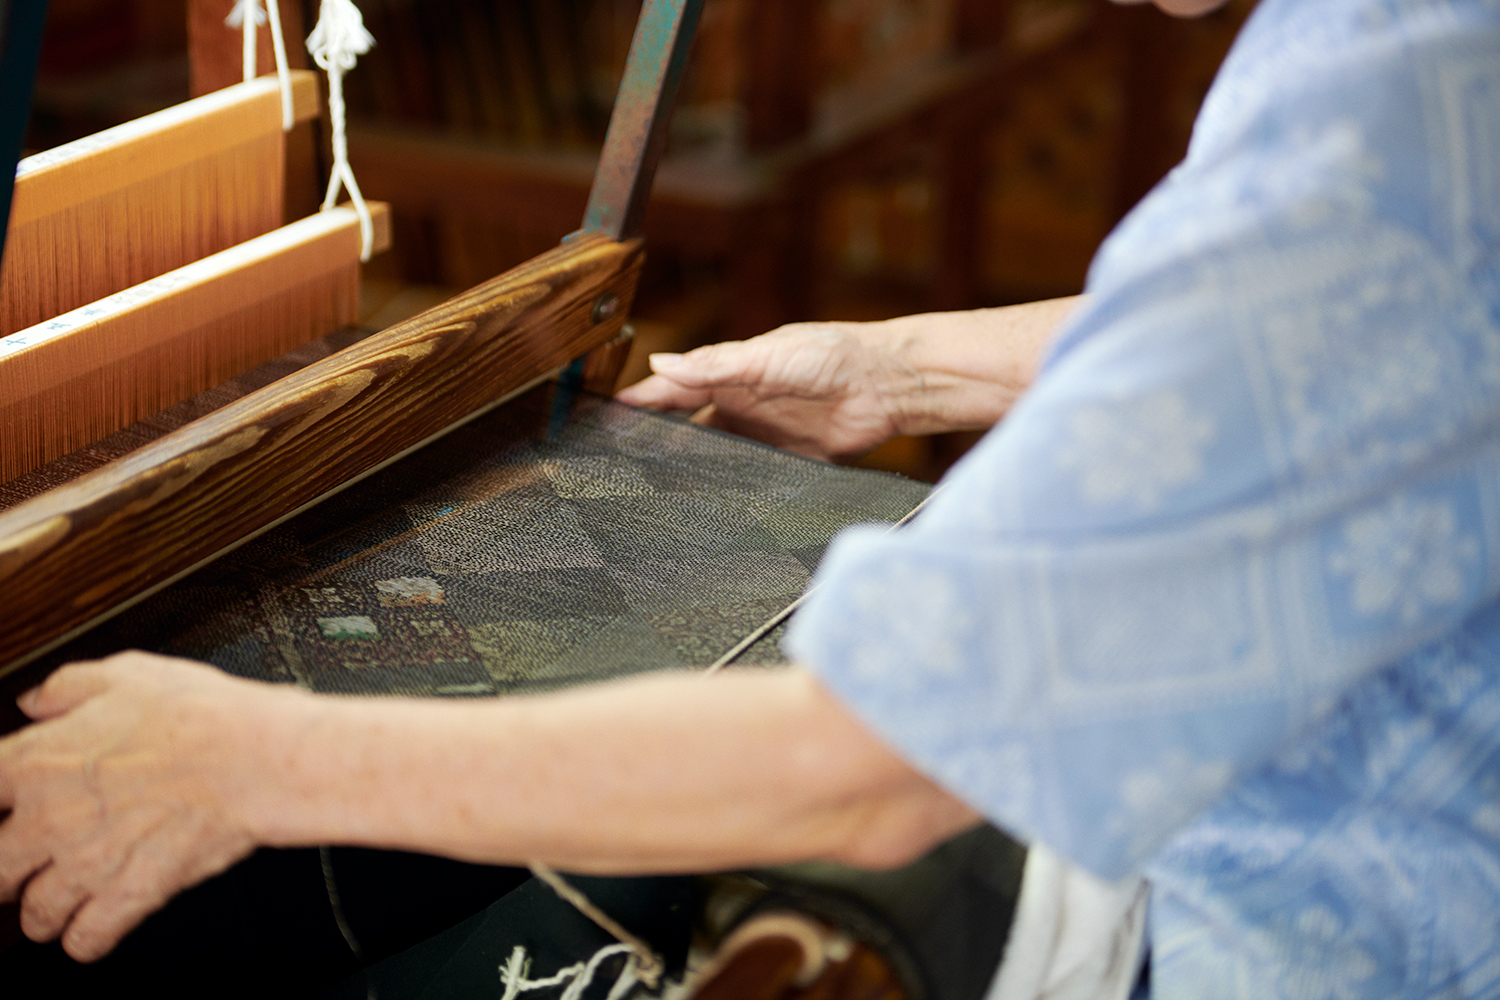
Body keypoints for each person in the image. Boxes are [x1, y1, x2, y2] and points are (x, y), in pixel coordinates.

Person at [4, 0, 1500, 996]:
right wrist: (900, 370)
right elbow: (1329, 356)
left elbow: (882, 764)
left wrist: (239, 763)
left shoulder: (1390, 111)